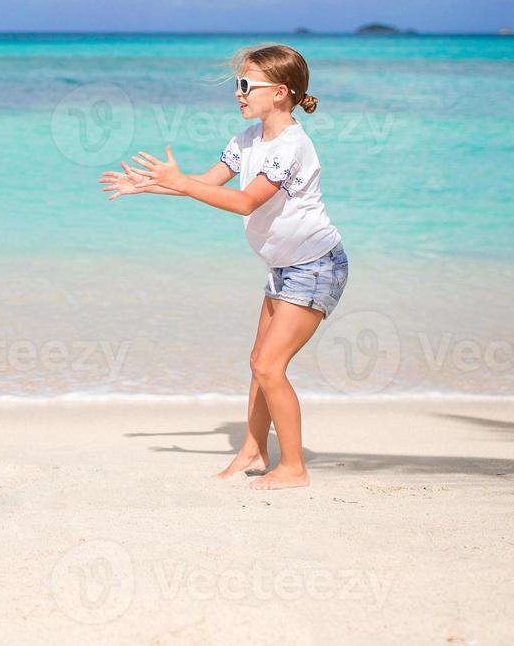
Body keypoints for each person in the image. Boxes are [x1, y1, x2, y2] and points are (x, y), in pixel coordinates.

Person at [101, 44, 347, 490]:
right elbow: (208, 185)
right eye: (239, 84)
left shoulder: (291, 145)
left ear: (280, 93)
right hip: (284, 266)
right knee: (258, 363)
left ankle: (294, 468)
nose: (238, 92)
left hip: (315, 265)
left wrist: (176, 183)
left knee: (271, 367)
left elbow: (245, 201)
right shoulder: (247, 140)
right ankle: (253, 452)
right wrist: (153, 185)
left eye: (246, 84)